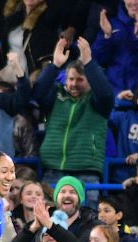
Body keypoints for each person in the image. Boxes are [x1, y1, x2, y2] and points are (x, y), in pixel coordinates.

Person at [35, 37, 115, 208]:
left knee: (86, 220)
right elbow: (38, 91)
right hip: (53, 169)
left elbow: (107, 94)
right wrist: (55, 65)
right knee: (48, 220)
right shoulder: (56, 97)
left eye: (80, 80)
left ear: (89, 82)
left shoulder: (97, 101)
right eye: (71, 79)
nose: (73, 84)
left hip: (86, 172)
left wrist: (89, 62)